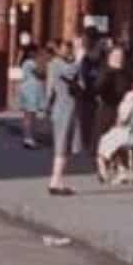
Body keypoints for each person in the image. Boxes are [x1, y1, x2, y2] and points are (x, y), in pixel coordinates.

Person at [45, 37, 86, 195]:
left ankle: (58, 179)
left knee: (66, 146)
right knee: (62, 145)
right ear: (57, 49)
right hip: (62, 109)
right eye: (66, 47)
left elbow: (80, 82)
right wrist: (80, 55)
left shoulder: (66, 64)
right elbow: (71, 72)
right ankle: (55, 181)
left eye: (69, 47)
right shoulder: (56, 64)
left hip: (68, 108)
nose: (68, 50)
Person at [93, 44, 133, 183]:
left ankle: (120, 168)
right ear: (110, 57)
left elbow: (130, 89)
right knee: (105, 140)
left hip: (123, 109)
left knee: (121, 140)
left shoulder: (126, 73)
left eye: (121, 56)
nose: (119, 59)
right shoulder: (105, 71)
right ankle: (102, 165)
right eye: (116, 56)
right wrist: (109, 72)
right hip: (108, 109)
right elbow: (98, 88)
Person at [17, 43, 47, 150]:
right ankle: (29, 138)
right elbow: (40, 74)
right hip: (31, 90)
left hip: (26, 88)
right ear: (31, 52)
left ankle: (27, 137)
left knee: (27, 116)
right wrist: (43, 63)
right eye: (36, 51)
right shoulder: (30, 63)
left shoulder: (25, 62)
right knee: (30, 116)